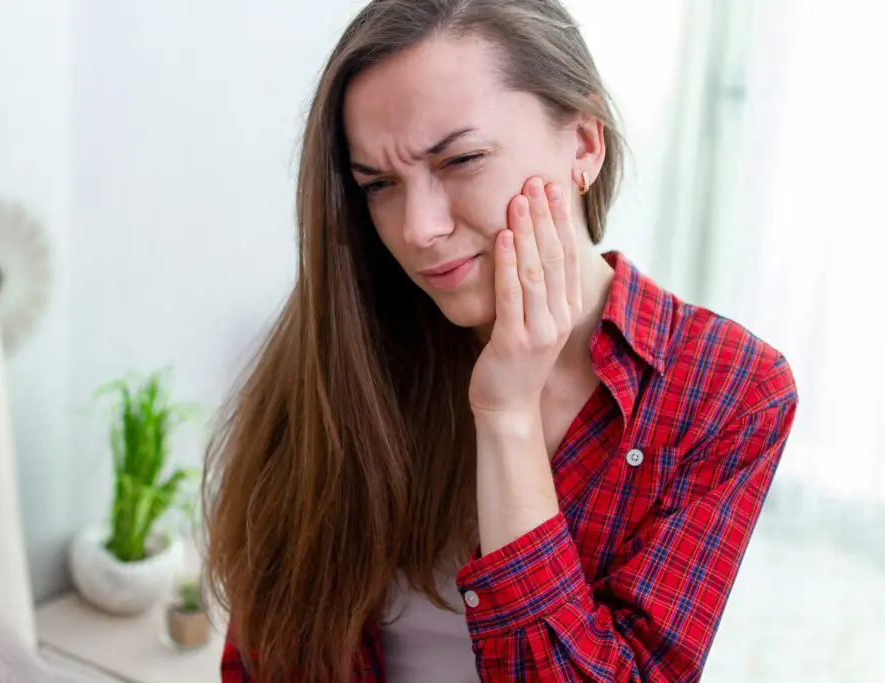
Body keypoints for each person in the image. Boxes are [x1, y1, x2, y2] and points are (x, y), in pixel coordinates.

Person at [202, 0, 798, 681]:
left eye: (461, 159)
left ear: (584, 144)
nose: (418, 228)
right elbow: (264, 655)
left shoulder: (728, 389)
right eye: (380, 184)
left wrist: (508, 419)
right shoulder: (350, 343)